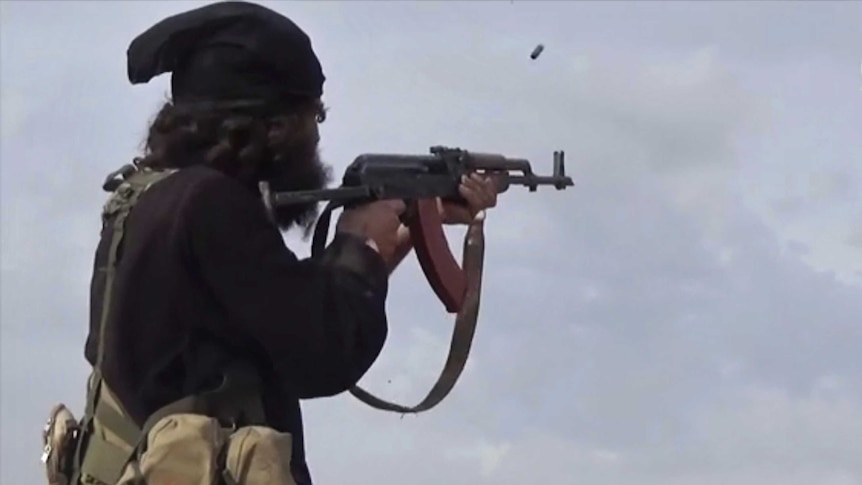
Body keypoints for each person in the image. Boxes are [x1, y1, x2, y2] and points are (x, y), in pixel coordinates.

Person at [69, 1, 499, 485]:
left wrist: (390, 244)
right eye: (312, 115)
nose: (315, 134)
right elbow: (321, 352)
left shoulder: (148, 195)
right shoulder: (211, 204)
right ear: (272, 127)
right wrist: (359, 245)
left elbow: (271, 318)